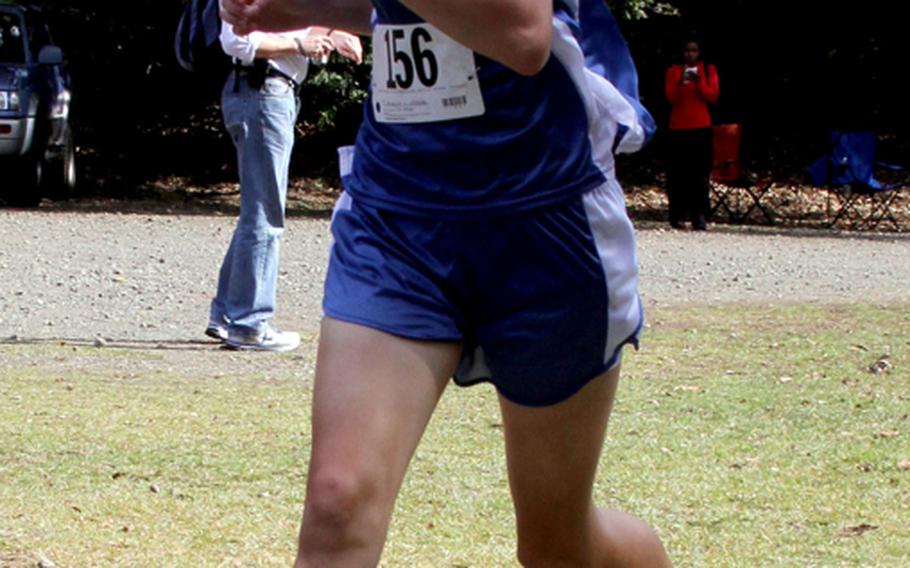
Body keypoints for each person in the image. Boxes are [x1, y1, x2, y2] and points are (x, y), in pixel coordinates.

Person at [222, 0, 673, 566]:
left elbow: (523, 33)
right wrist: (300, 8)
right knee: (339, 504)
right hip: (397, 216)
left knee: (558, 546)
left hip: (545, 216)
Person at [206, 22, 362, 351]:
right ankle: (250, 324)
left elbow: (294, 27)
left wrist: (331, 36)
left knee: (258, 210)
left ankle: (226, 315)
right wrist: (301, 45)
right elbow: (237, 43)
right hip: (263, 92)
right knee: (265, 215)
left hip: (267, 92)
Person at [664, 38, 719, 230]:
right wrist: (681, 81)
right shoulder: (673, 71)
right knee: (678, 175)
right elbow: (671, 98)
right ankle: (677, 215)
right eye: (687, 51)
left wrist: (699, 82)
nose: (690, 54)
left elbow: (712, 96)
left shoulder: (708, 70)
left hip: (701, 127)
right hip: (678, 128)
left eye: (694, 51)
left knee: (700, 174)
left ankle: (700, 215)